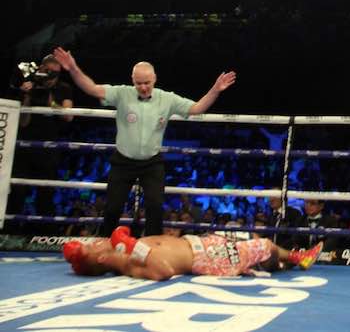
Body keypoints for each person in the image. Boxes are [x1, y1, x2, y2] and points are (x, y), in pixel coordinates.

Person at [52, 46, 236, 237]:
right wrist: (73, 68)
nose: (143, 87)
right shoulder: (122, 93)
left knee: (155, 208)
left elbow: (197, 108)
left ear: (154, 79)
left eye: (147, 82)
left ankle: (151, 249)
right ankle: (104, 246)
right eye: (139, 83)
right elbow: (92, 88)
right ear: (133, 81)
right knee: (113, 208)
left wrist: (215, 90)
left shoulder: (167, 98)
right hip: (123, 161)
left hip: (152, 162)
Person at [63, 226, 323, 280]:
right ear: (100, 258)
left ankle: (283, 264)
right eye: (91, 246)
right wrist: (132, 245)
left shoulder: (122, 251)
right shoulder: (126, 263)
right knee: (264, 245)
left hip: (201, 245)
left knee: (256, 246)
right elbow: (162, 270)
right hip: (204, 258)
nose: (96, 241)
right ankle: (300, 257)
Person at [8, 54, 74, 225]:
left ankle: (44, 233)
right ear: (41, 69)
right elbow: (23, 123)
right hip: (25, 146)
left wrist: (51, 100)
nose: (53, 76)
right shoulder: (29, 85)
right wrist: (28, 97)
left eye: (57, 73)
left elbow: (68, 116)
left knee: (46, 193)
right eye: (49, 72)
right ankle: (10, 232)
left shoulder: (63, 88)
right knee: (17, 191)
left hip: (49, 148)